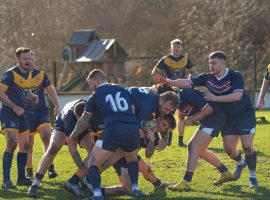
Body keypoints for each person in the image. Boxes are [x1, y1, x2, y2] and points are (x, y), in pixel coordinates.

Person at [154, 51, 258, 188]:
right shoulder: (207, 78)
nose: (211, 66)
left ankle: (253, 178)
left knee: (247, 146)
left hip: (242, 114)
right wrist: (168, 81)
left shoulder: (235, 76)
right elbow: (188, 82)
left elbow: (237, 96)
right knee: (227, 149)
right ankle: (233, 167)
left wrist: (212, 101)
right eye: (209, 63)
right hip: (226, 117)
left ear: (223, 63)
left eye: (214, 63)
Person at [69, 69, 143, 200]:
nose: (90, 87)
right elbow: (131, 111)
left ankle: (97, 195)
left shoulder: (95, 95)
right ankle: (136, 189)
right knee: (132, 159)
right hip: (132, 129)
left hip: (113, 131)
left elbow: (85, 119)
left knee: (93, 163)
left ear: (97, 81)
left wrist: (73, 135)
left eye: (91, 84)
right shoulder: (124, 89)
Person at [167, 88, 233, 192]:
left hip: (214, 119)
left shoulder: (186, 94)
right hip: (208, 121)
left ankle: (186, 182)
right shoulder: (177, 102)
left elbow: (209, 109)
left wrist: (192, 119)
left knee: (192, 146)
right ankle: (226, 173)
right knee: (200, 151)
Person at [27, 99, 95, 198]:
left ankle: (86, 181)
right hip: (62, 125)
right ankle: (35, 184)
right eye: (79, 121)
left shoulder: (93, 108)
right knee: (53, 149)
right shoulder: (69, 117)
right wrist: (82, 168)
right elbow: (73, 149)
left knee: (94, 151)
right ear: (77, 117)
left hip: (84, 121)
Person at [0, 47, 38, 189]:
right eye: (25, 59)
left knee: (26, 146)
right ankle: (6, 181)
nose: (28, 61)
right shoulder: (9, 74)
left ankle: (21, 178)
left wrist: (33, 97)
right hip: (9, 112)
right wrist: (14, 106)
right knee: (12, 143)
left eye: (29, 58)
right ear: (17, 59)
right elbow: (1, 93)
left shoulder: (29, 73)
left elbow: (24, 91)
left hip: (22, 113)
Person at [151, 38, 195, 147]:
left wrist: (187, 82)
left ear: (181, 48)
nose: (176, 48)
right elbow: (154, 72)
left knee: (181, 115)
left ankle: (180, 141)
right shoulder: (165, 59)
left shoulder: (185, 59)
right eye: (174, 46)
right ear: (171, 47)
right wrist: (160, 79)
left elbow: (193, 73)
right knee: (164, 112)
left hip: (181, 89)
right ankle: (166, 138)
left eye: (178, 46)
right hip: (167, 89)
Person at [25, 51, 60, 179]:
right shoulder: (15, 75)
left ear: (34, 60)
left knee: (47, 137)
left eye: (32, 59)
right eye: (27, 59)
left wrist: (57, 105)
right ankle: (28, 171)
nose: (29, 61)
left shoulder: (41, 74)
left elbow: (50, 90)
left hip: (41, 112)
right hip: (25, 114)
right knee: (28, 143)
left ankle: (50, 167)